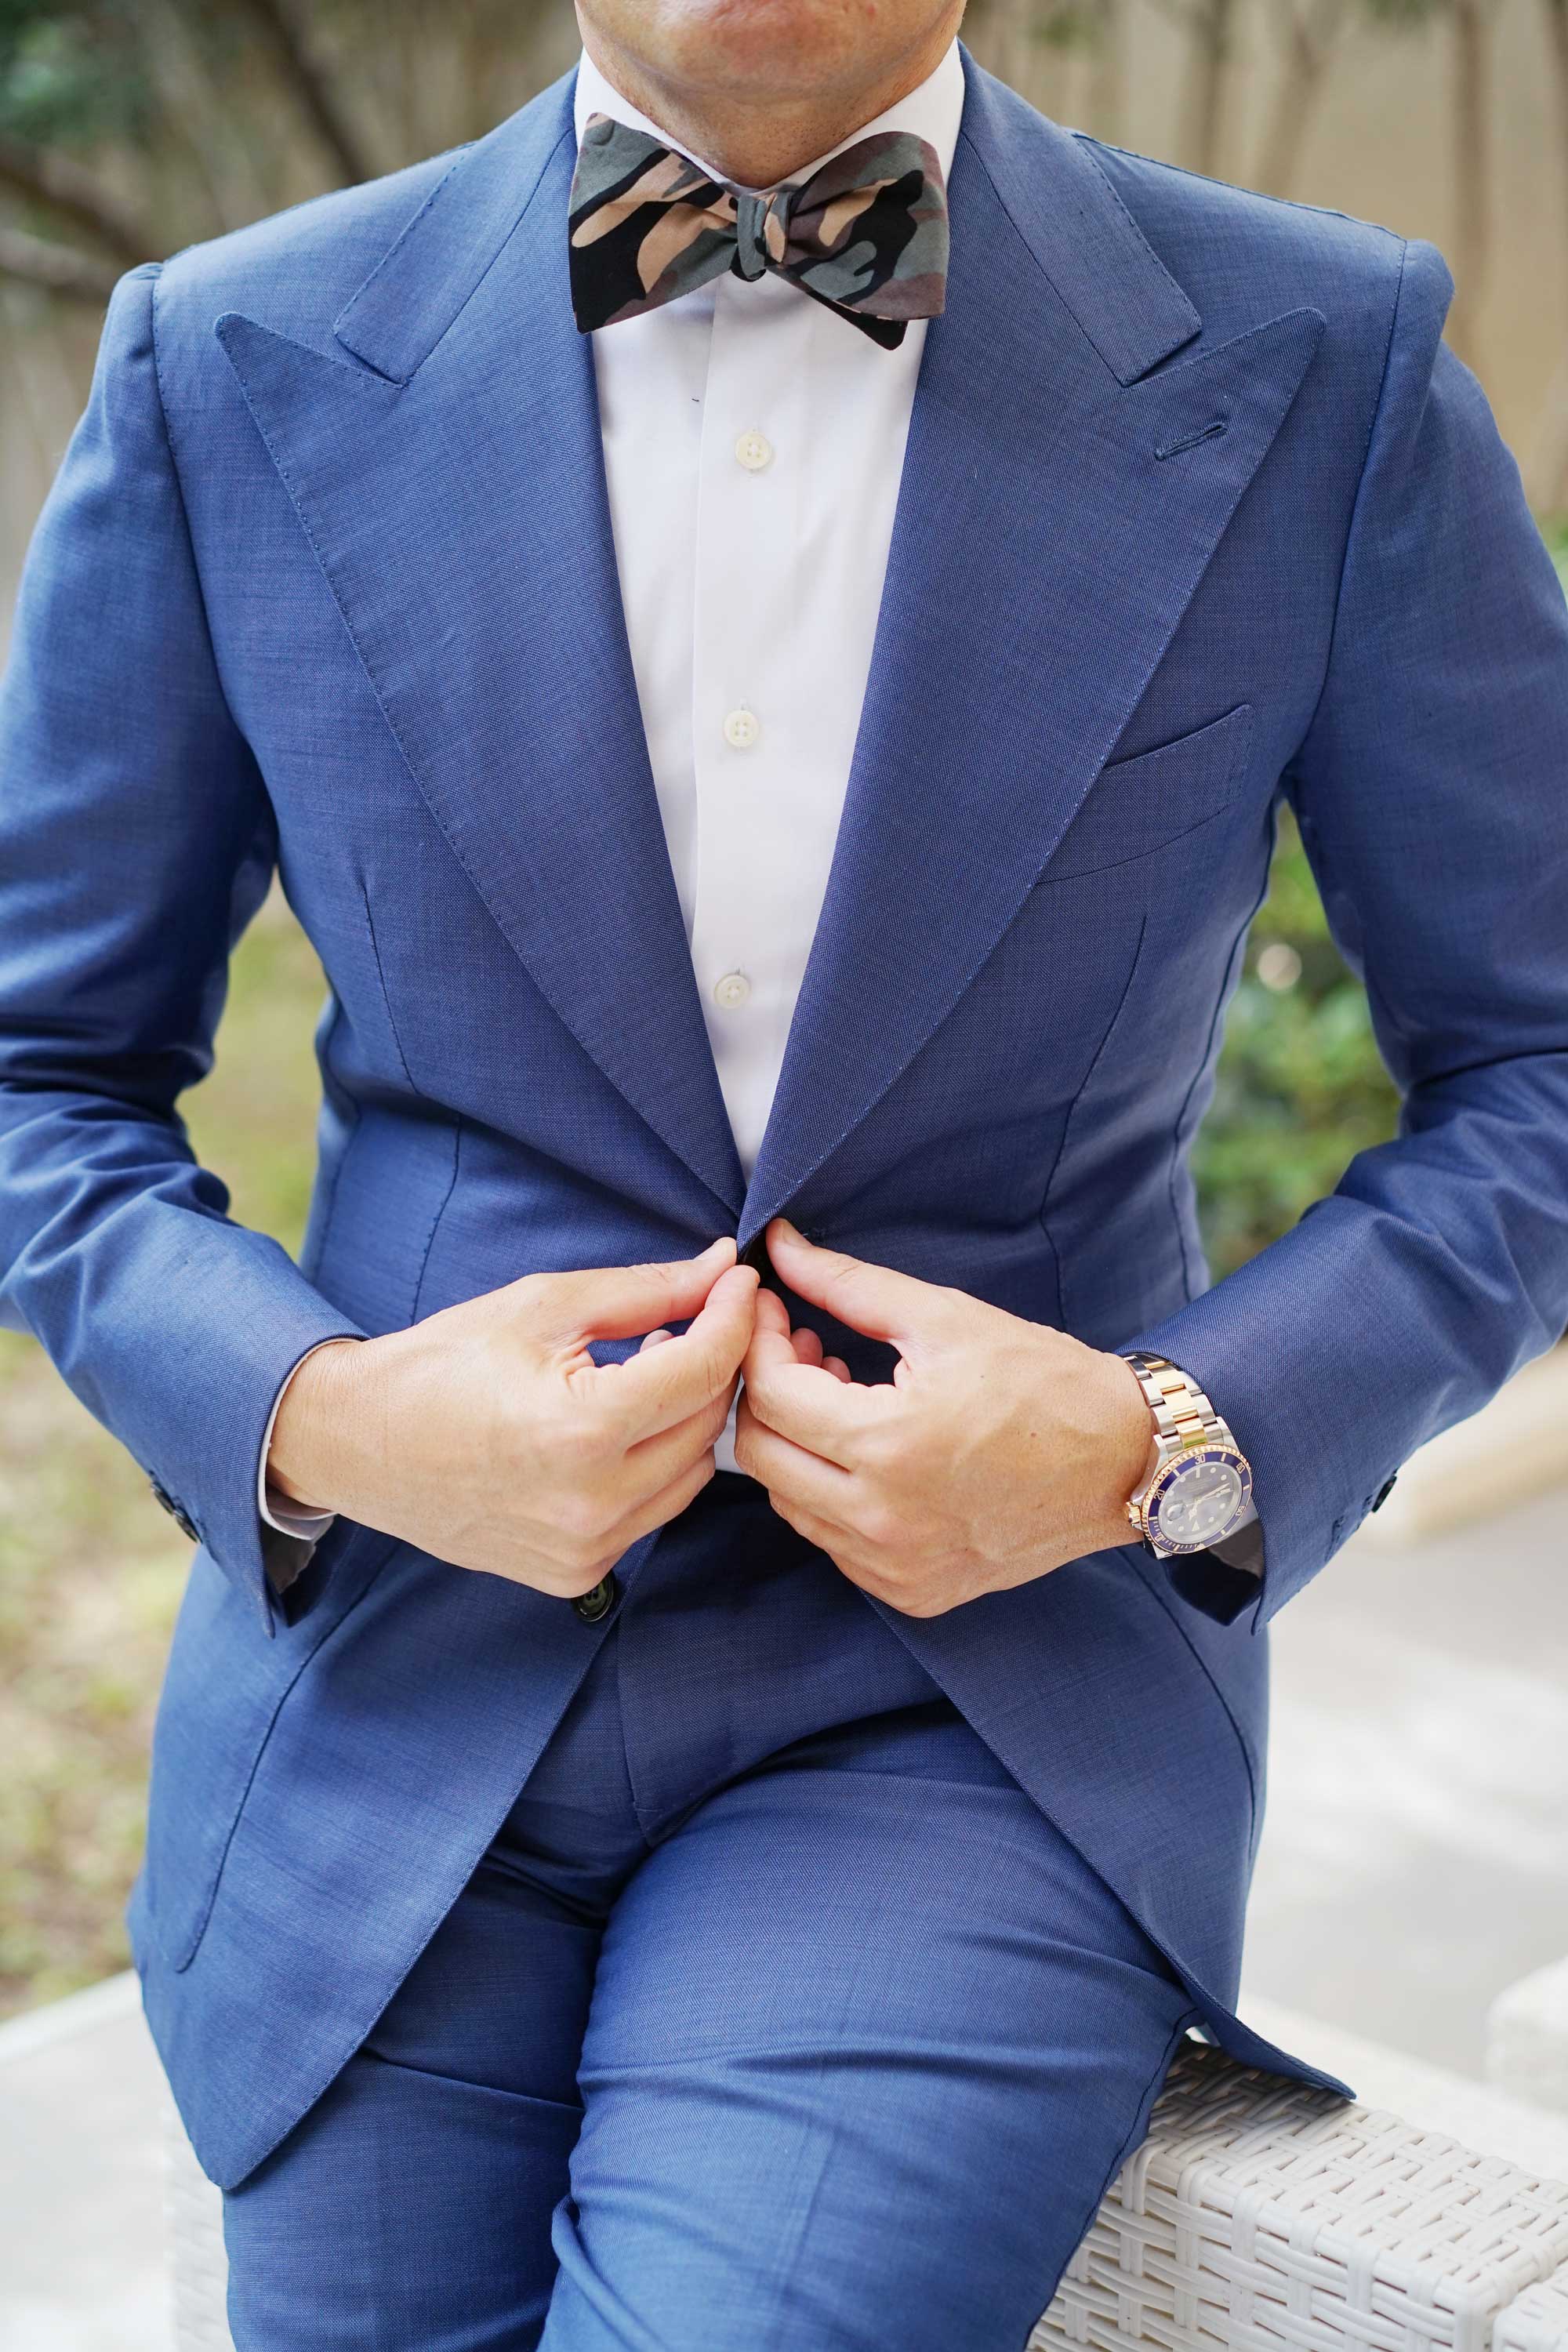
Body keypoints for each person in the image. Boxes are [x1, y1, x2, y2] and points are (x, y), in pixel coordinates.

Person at [2, 0, 1566, 2342]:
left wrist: (1169, 1443)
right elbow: (40, 1072)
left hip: (974, 1705)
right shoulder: (224, 357)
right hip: (395, 1709)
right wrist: (326, 1419)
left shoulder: (1317, 360)